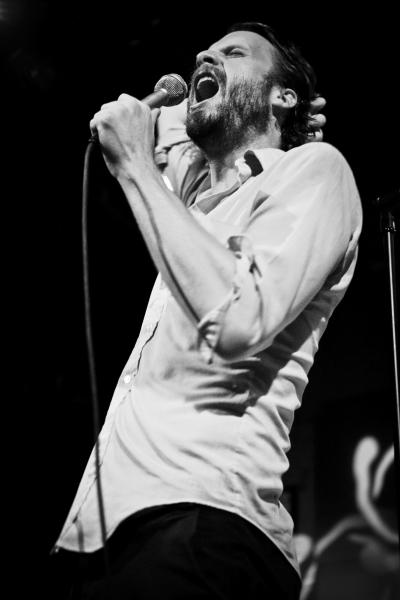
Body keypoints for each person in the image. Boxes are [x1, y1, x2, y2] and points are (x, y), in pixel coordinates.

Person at [51, 21, 362, 599]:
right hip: (101, 534)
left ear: (283, 95)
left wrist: (136, 166)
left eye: (234, 52)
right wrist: (170, 115)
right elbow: (173, 132)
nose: (203, 54)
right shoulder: (192, 200)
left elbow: (241, 318)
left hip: (207, 527)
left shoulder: (314, 170)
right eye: (206, 51)